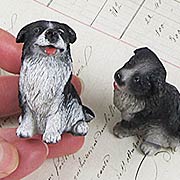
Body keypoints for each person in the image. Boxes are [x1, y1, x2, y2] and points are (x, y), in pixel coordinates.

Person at [0, 29, 84, 180]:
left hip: (61, 113)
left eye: (59, 32)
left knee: (65, 98)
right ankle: (30, 121)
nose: (52, 35)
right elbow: (24, 98)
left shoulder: (63, 72)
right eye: (38, 30)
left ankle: (74, 121)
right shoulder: (28, 70)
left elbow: (60, 101)